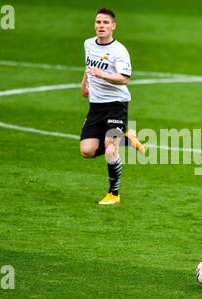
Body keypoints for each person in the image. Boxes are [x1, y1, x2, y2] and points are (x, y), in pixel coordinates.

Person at [80, 8, 145, 205]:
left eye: (105, 23)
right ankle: (127, 139)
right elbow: (88, 65)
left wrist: (102, 75)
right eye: (98, 22)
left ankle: (114, 194)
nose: (101, 26)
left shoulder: (119, 51)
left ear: (113, 26)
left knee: (110, 147)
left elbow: (124, 79)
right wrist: (84, 83)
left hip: (116, 105)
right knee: (87, 150)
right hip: (96, 106)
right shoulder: (88, 43)